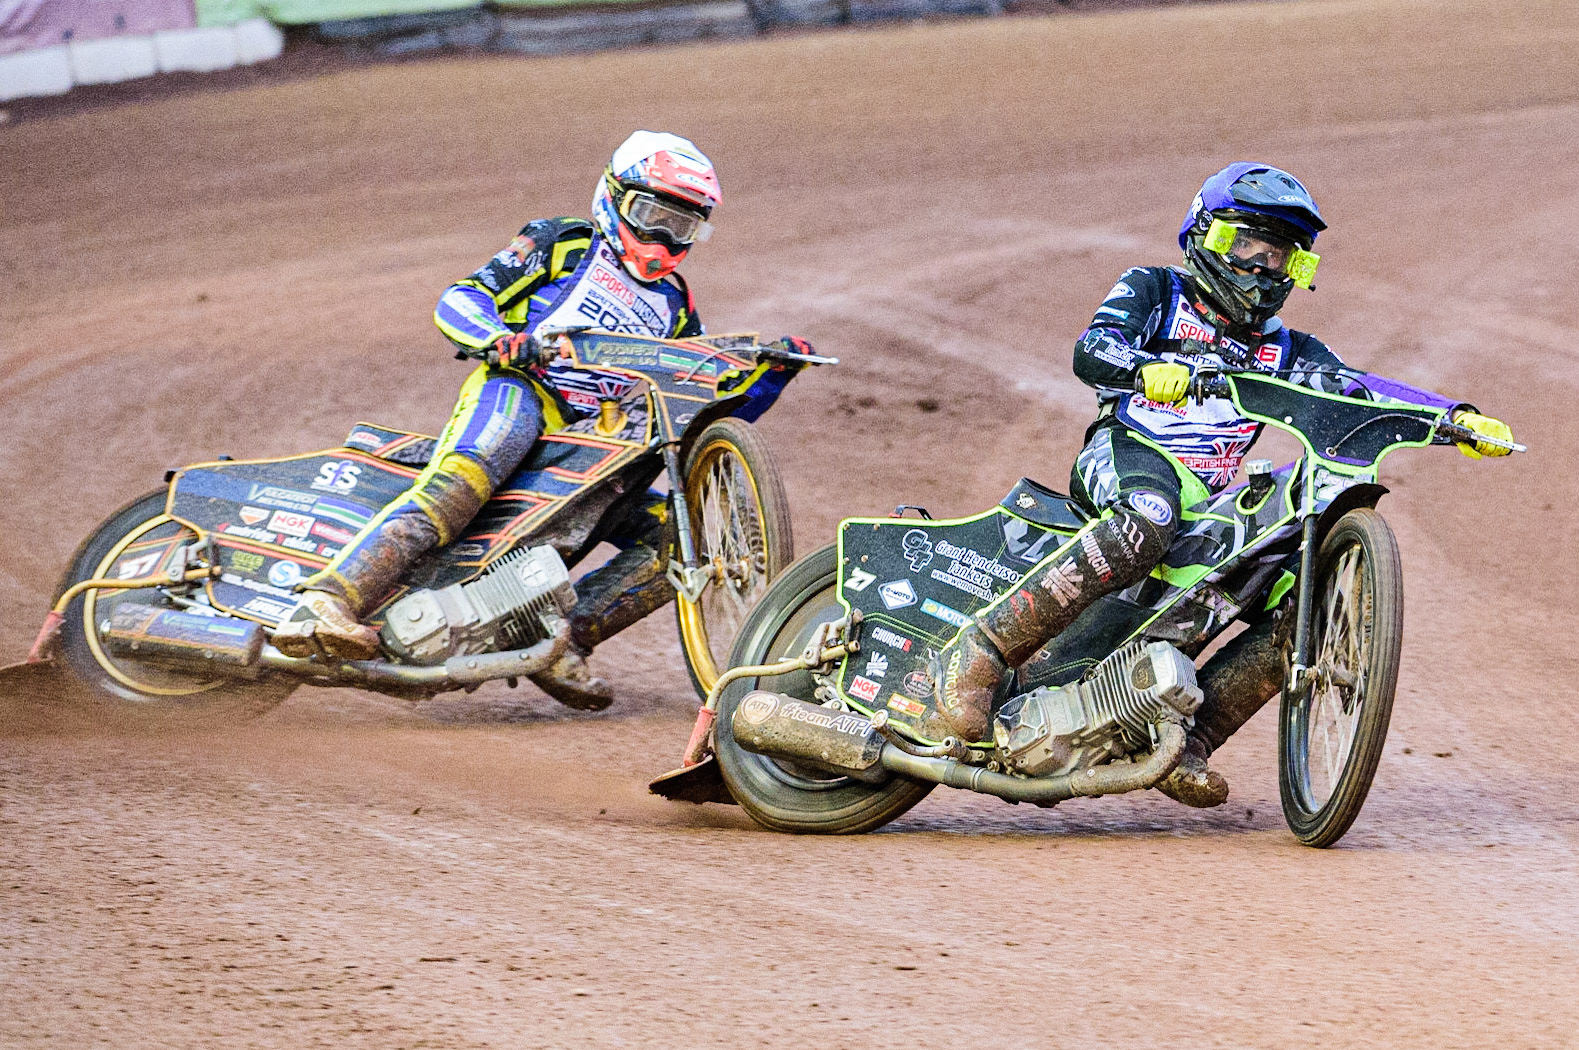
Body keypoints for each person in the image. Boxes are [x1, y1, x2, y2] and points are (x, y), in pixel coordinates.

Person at [931, 163, 1515, 806]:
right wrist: (1145, 368)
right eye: (1246, 245)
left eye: (1280, 256)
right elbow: (1092, 349)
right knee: (1150, 515)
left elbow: (1358, 389)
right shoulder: (1154, 289)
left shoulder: (1292, 350)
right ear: (1203, 236)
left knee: (1298, 601)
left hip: (1205, 502)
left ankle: (1189, 742)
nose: (1262, 267)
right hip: (1128, 452)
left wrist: (1454, 417)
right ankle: (981, 650)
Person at [274, 131, 722, 710]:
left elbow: (695, 382)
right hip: (519, 390)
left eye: (680, 224)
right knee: (466, 478)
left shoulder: (677, 305)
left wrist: (765, 370)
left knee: (684, 538)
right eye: (652, 215)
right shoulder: (562, 242)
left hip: (592, 439)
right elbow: (461, 297)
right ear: (614, 197)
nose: (662, 236)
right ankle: (326, 600)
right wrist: (498, 338)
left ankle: (562, 639)